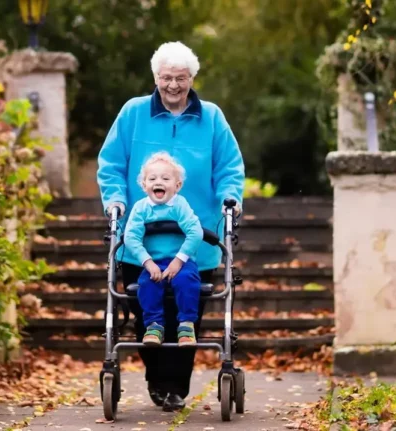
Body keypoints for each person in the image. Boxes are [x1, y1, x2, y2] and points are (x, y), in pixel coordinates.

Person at [97, 41, 245, 412]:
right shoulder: (133, 114)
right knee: (144, 307)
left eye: (181, 78)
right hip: (141, 240)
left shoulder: (211, 118)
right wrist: (114, 199)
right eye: (166, 78)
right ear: (155, 78)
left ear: (192, 78)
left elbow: (229, 166)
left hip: (197, 242)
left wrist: (230, 198)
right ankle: (157, 380)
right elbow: (111, 163)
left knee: (187, 312)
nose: (173, 86)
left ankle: (175, 386)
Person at [123, 152, 204, 347]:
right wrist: (148, 262)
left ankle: (186, 325)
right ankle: (154, 325)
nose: (158, 181)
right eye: (152, 178)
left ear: (177, 186)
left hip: (181, 262)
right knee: (147, 283)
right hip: (154, 262)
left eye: (165, 178)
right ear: (144, 185)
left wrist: (179, 261)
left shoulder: (180, 205)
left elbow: (195, 232)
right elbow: (130, 237)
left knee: (187, 281)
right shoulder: (141, 208)